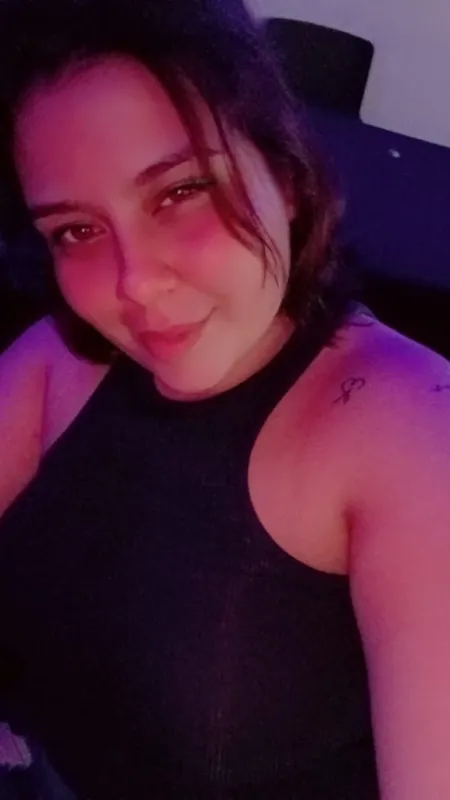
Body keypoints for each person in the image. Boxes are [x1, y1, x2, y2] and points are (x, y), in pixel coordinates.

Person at [0, 0, 449, 798]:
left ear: (287, 174)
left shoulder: (410, 428)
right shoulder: (57, 359)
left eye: (180, 191)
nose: (135, 284)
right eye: (76, 229)